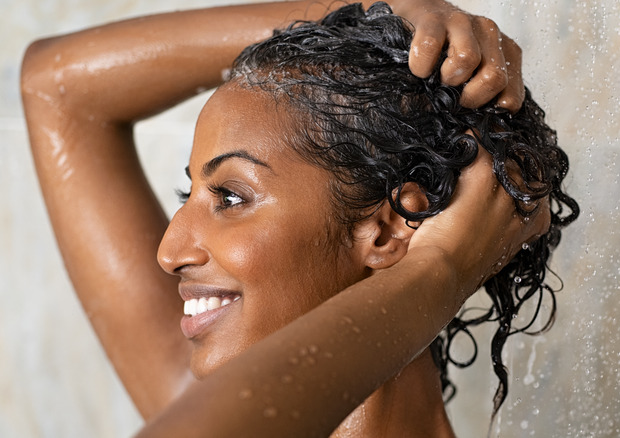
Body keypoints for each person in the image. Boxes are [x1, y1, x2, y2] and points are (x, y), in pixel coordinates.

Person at [21, 1, 577, 436]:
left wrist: (440, 270)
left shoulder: (198, 417)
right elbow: (57, 87)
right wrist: (379, 9)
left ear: (384, 230)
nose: (169, 252)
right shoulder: (199, 404)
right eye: (188, 192)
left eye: (231, 197)